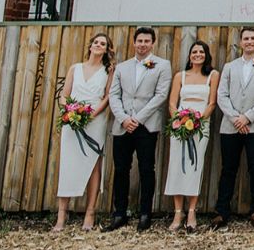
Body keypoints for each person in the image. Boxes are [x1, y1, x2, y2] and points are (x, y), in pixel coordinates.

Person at [106, 26, 172, 232]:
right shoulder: (122, 67)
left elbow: (161, 96)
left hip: (146, 125)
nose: (142, 44)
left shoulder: (162, 65)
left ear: (153, 43)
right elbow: (113, 95)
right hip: (122, 124)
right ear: (134, 43)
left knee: (146, 169)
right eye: (139, 41)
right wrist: (124, 118)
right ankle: (120, 213)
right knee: (121, 169)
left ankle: (145, 213)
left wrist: (138, 118)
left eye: (146, 41)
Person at [212, 27, 254, 229]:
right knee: (228, 168)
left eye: (253, 38)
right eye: (246, 38)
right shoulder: (230, 66)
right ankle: (222, 212)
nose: (249, 41)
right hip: (230, 126)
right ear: (240, 42)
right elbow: (221, 95)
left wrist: (247, 117)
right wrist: (235, 118)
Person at [53, 33, 114, 232]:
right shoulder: (75, 68)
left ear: (106, 49)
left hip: (95, 120)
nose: (98, 45)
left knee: (93, 165)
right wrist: (70, 110)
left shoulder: (108, 71)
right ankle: (62, 213)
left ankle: (90, 212)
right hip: (72, 120)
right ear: (90, 46)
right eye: (96, 42)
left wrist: (91, 114)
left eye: (102, 44)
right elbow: (64, 95)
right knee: (68, 164)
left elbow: (107, 97)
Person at [162, 40, 219, 231]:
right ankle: (178, 212)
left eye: (201, 52)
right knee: (177, 166)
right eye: (194, 52)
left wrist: (197, 121)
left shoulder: (213, 75)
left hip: (200, 125)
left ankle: (192, 210)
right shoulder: (180, 76)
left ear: (206, 55)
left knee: (195, 166)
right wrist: (179, 121)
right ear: (189, 55)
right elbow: (172, 103)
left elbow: (211, 103)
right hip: (180, 125)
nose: (197, 55)